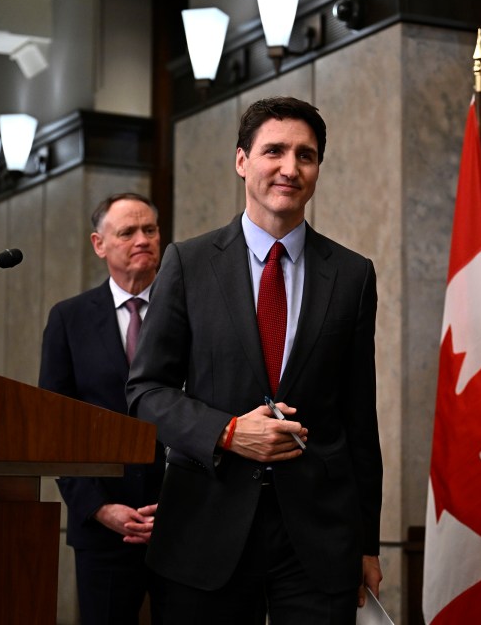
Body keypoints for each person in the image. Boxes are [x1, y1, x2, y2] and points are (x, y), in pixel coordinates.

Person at [125, 96, 383, 624]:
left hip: (318, 539)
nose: (290, 168)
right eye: (274, 151)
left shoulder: (353, 275)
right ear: (242, 161)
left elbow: (360, 419)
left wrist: (368, 542)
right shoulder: (187, 263)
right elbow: (146, 393)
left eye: (305, 156)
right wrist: (226, 432)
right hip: (205, 530)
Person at [39, 192, 165, 625]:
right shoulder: (68, 319)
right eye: (127, 231)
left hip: (182, 522)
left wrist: (183, 505)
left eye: (150, 229)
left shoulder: (187, 310)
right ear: (99, 244)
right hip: (103, 528)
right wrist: (98, 508)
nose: (142, 239)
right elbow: (55, 429)